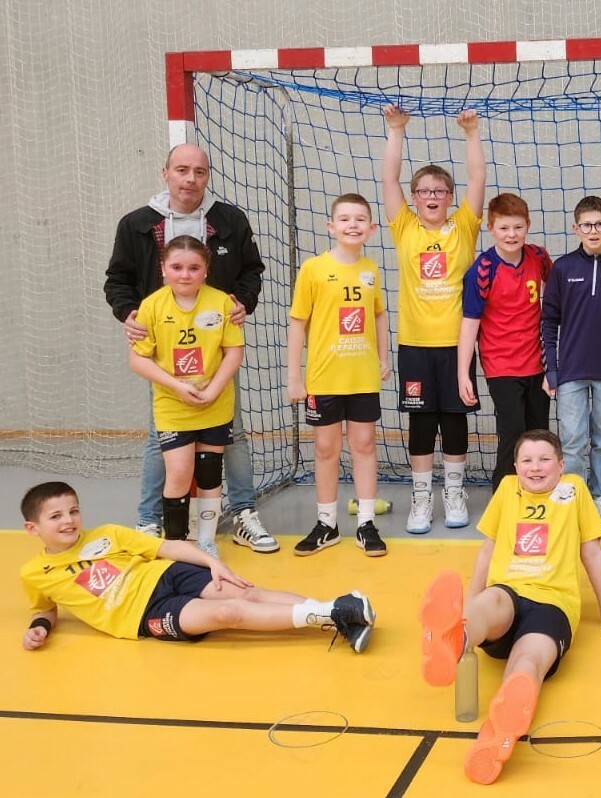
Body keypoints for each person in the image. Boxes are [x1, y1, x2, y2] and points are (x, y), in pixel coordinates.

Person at [418, 429, 601, 784]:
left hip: (554, 604)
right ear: (516, 466)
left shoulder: (574, 489)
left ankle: (497, 731)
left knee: (528, 660)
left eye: (545, 459)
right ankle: (456, 637)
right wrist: (470, 601)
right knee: (489, 603)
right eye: (527, 460)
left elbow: (592, 553)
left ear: (561, 465)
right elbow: (488, 551)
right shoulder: (507, 489)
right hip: (509, 592)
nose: (536, 467)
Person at [104, 143, 277, 554]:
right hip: (163, 348)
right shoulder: (137, 224)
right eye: (182, 170)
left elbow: (252, 271)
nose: (190, 179)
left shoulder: (229, 220)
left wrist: (242, 302)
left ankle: (243, 513)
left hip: (216, 348)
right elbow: (117, 280)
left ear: (207, 176)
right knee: (160, 438)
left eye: (199, 171)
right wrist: (129, 313)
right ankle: (151, 521)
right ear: (166, 173)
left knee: (232, 433)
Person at [19, 482, 374, 653]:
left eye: (73, 511)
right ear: (32, 528)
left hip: (167, 574)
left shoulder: (108, 533)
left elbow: (166, 547)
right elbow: (44, 608)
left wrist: (211, 562)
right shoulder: (34, 573)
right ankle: (339, 611)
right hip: (143, 614)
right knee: (228, 613)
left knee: (249, 593)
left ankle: (334, 612)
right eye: (56, 516)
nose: (69, 520)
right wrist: (39, 628)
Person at [382, 106, 486, 534]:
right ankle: (422, 496)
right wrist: (396, 131)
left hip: (457, 345)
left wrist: (471, 133)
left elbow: (477, 179)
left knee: (456, 419)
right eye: (424, 190)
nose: (432, 196)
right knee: (422, 421)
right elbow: (389, 180)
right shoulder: (405, 228)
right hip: (415, 345)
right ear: (414, 197)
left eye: (440, 191)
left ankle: (454, 492)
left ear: (449, 197)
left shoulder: (463, 227)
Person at [286, 194, 391, 557]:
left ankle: (366, 523)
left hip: (361, 377)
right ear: (331, 226)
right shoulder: (313, 269)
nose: (352, 225)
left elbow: (378, 314)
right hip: (324, 378)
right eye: (344, 219)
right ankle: (327, 524)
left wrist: (383, 357)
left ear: (371, 228)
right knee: (326, 449)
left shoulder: (371, 269)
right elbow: (297, 323)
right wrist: (294, 377)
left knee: (364, 446)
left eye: (360, 219)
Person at [128, 236, 244, 557]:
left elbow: (234, 351)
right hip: (173, 406)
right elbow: (137, 359)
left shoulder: (221, 303)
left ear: (205, 270)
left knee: (209, 473)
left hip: (214, 403)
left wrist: (213, 389)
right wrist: (177, 386)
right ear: (163, 268)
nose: (185, 274)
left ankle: (206, 541)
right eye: (176, 267)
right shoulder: (152, 306)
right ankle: (176, 544)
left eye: (194, 268)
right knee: (179, 473)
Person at [541, 197, 601, 527]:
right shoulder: (563, 268)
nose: (593, 230)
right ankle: (575, 497)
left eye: (599, 224)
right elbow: (549, 321)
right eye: (587, 225)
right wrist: (552, 370)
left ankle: (600, 495)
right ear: (576, 228)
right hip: (570, 372)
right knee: (572, 441)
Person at [458, 193, 552, 492]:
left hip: (536, 362)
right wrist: (463, 374)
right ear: (491, 228)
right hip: (501, 365)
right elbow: (469, 323)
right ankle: (504, 494)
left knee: (539, 435)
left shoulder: (538, 257)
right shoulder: (482, 270)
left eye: (518, 227)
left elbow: (554, 296)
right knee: (513, 433)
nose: (511, 235)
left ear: (528, 226)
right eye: (504, 228)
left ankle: (538, 492)